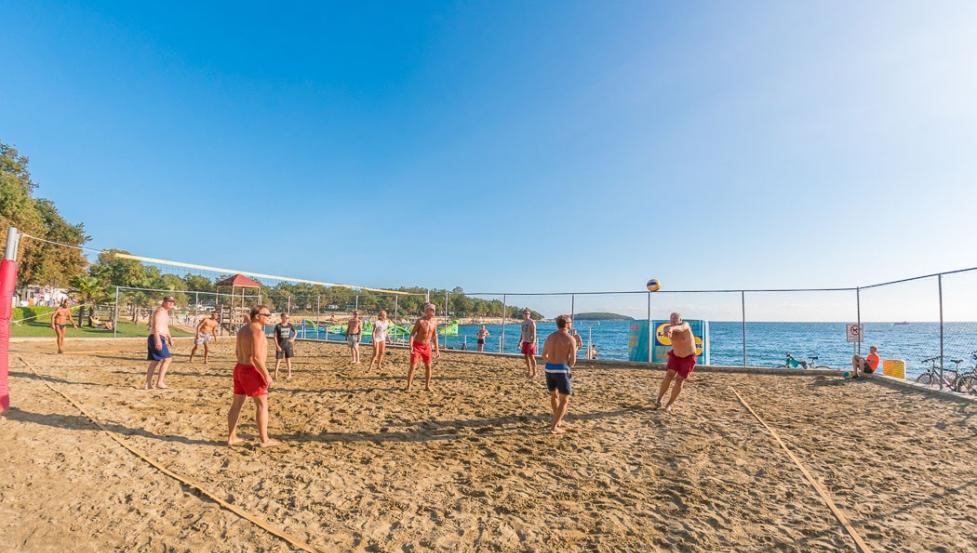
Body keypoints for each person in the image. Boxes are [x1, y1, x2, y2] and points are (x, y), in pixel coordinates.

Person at [227, 305, 276, 448]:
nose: (269, 317)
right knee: (262, 405)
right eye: (266, 315)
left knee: (236, 405)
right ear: (257, 316)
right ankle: (264, 440)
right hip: (252, 371)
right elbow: (256, 358)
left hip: (239, 368)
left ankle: (231, 437)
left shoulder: (243, 330)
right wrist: (267, 375)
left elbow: (237, 352)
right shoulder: (258, 333)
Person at [655, 312, 697, 413]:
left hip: (688, 357)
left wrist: (672, 329)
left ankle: (669, 404)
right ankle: (658, 399)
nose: (673, 320)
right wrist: (668, 331)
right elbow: (666, 332)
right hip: (675, 356)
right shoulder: (667, 328)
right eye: (672, 318)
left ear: (680, 320)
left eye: (675, 319)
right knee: (669, 374)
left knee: (679, 380)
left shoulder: (685, 325)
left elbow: (681, 328)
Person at [542, 314, 577, 434]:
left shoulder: (550, 337)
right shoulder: (570, 339)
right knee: (564, 400)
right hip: (561, 370)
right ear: (566, 324)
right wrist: (564, 364)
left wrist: (552, 362)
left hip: (549, 369)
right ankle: (554, 427)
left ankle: (557, 420)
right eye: (570, 322)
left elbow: (544, 356)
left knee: (554, 396)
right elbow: (572, 361)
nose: (571, 324)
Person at [407, 303, 440, 391]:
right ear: (426, 311)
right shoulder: (420, 321)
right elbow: (412, 334)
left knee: (428, 366)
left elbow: (434, 336)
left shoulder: (434, 322)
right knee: (413, 366)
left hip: (427, 346)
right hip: (417, 345)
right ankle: (409, 386)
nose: (433, 311)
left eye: (434, 310)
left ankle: (427, 386)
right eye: (431, 310)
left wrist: (437, 350)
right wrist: (410, 346)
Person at [145, 297, 176, 389]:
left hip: (159, 337)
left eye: (172, 302)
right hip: (156, 337)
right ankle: (160, 382)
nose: (171, 303)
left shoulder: (165, 313)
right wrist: (157, 339)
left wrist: (169, 338)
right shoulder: (160, 311)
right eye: (169, 301)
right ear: (164, 302)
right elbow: (156, 325)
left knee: (155, 361)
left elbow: (165, 327)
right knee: (168, 359)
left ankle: (148, 384)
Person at [273, 313, 297, 380]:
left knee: (288, 360)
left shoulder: (290, 325)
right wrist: (277, 346)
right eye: (286, 317)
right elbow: (275, 337)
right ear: (282, 318)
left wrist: (293, 339)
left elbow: (296, 332)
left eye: (288, 318)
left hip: (288, 345)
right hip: (280, 345)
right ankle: (275, 375)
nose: (287, 319)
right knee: (278, 360)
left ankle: (289, 375)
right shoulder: (278, 326)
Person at [518, 309, 538, 377]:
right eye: (525, 313)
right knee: (526, 357)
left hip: (530, 342)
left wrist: (533, 342)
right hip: (525, 341)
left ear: (529, 315)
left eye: (528, 314)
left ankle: (535, 373)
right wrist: (520, 341)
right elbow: (522, 333)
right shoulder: (523, 323)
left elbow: (534, 333)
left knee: (532, 357)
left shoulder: (531, 322)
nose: (526, 315)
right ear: (523, 314)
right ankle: (529, 371)